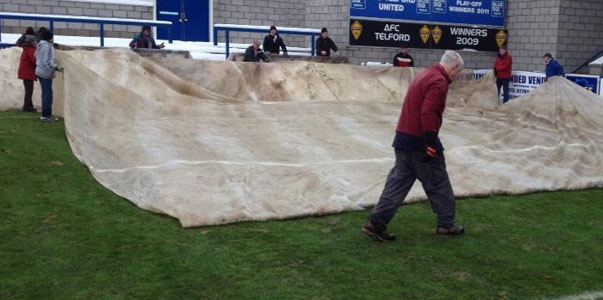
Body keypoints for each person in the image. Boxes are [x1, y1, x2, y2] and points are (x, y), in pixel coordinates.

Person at [363, 50, 466, 242]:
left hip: (403, 138)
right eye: (458, 72)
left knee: (397, 184)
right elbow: (428, 111)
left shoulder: (425, 74)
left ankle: (375, 223)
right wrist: (430, 143)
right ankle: (446, 224)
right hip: (420, 140)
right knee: (438, 181)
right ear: (453, 67)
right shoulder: (439, 81)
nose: (456, 76)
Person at [35, 30, 63, 123]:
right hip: (45, 73)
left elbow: (36, 56)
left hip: (40, 71)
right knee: (47, 94)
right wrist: (56, 68)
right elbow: (47, 61)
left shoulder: (40, 45)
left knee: (47, 94)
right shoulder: (47, 47)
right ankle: (45, 115)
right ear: (49, 37)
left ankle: (48, 114)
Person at [18, 34, 38, 112]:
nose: (36, 42)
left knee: (28, 90)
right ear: (31, 42)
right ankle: (27, 107)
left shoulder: (26, 49)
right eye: (34, 41)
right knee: (29, 90)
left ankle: (29, 106)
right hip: (28, 73)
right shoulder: (30, 50)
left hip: (25, 72)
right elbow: (34, 60)